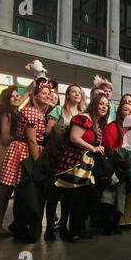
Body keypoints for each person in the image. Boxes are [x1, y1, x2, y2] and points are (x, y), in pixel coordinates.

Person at [0, 79, 51, 238]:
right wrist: (19, 135)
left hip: (15, 150)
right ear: (7, 100)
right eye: (13, 97)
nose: (17, 98)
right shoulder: (8, 113)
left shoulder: (17, 111)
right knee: (5, 190)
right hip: (9, 150)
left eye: (18, 96)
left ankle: (6, 226)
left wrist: (34, 84)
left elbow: (28, 97)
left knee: (13, 190)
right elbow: (4, 138)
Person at [54, 93, 109, 242]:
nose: (104, 106)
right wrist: (93, 148)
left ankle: (78, 229)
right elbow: (74, 137)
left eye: (106, 104)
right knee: (75, 198)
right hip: (74, 162)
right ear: (94, 104)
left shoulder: (97, 122)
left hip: (86, 164)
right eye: (101, 103)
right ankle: (72, 231)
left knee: (85, 198)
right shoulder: (84, 118)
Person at [44, 84, 86, 241]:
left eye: (79, 92)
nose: (77, 94)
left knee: (69, 194)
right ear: (67, 95)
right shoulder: (58, 110)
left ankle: (63, 228)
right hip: (58, 156)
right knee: (54, 193)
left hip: (74, 158)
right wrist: (64, 132)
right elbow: (48, 131)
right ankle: (49, 228)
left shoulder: (83, 113)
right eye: (73, 91)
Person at [100, 102, 131, 235]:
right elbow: (109, 148)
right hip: (113, 165)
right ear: (120, 113)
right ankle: (106, 225)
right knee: (109, 195)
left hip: (125, 168)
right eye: (126, 110)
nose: (130, 112)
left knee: (121, 196)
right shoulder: (112, 127)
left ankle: (115, 223)